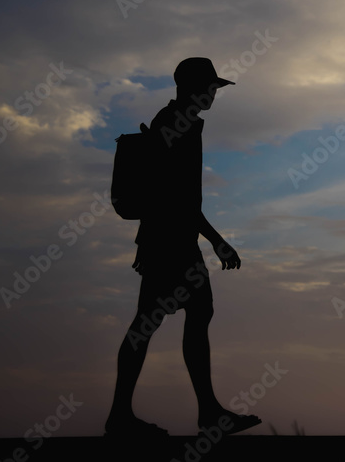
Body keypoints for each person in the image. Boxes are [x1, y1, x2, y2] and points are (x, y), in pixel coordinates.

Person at [105, 57, 261, 438]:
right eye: (209, 87)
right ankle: (127, 416)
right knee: (151, 323)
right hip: (170, 241)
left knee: (183, 315)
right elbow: (177, 197)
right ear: (190, 87)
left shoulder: (179, 122)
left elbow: (180, 197)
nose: (213, 94)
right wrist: (217, 241)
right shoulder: (177, 125)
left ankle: (197, 411)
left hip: (171, 238)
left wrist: (205, 239)